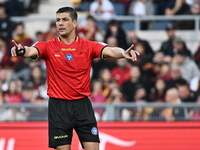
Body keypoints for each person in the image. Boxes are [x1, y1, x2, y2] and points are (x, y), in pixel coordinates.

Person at [11, 6, 139, 150]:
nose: (60, 23)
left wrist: (123, 52)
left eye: (65, 20)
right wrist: (21, 51)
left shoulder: (87, 46)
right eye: (58, 20)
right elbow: (30, 51)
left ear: (75, 23)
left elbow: (109, 50)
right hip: (59, 107)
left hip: (82, 105)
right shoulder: (47, 46)